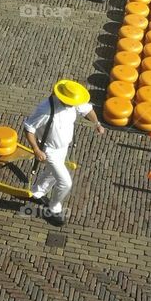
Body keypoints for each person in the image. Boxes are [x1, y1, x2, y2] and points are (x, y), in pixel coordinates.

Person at [23, 79, 104, 226]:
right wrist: (36, 149)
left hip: (63, 147)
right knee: (65, 182)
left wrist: (96, 123)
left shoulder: (74, 101)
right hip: (49, 150)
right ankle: (53, 208)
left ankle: (38, 191)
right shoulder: (45, 109)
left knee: (51, 173)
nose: (74, 105)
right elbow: (29, 128)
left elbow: (87, 110)